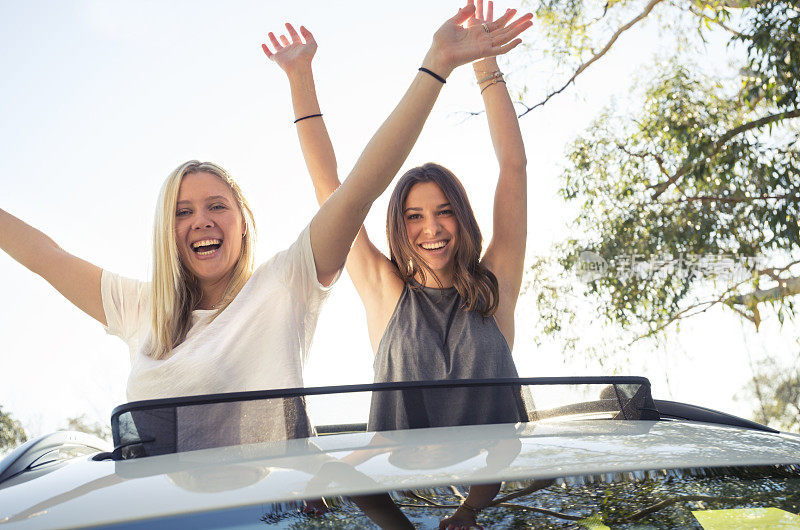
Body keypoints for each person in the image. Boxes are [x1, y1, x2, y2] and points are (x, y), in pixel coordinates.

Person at [0, 2, 530, 451]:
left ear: (245, 223)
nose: (201, 221)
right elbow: (45, 254)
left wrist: (457, 65)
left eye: (217, 206)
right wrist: (302, 79)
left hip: (457, 498)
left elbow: (357, 189)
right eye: (182, 212)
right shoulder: (141, 307)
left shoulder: (282, 287)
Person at [267, 1, 532, 529]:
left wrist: (483, 62)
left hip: (494, 491)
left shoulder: (495, 284)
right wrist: (301, 78)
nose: (430, 228)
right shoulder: (385, 290)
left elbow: (514, 167)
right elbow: (331, 188)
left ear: (462, 217)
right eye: (414, 216)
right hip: (385, 492)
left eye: (443, 212)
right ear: (398, 226)